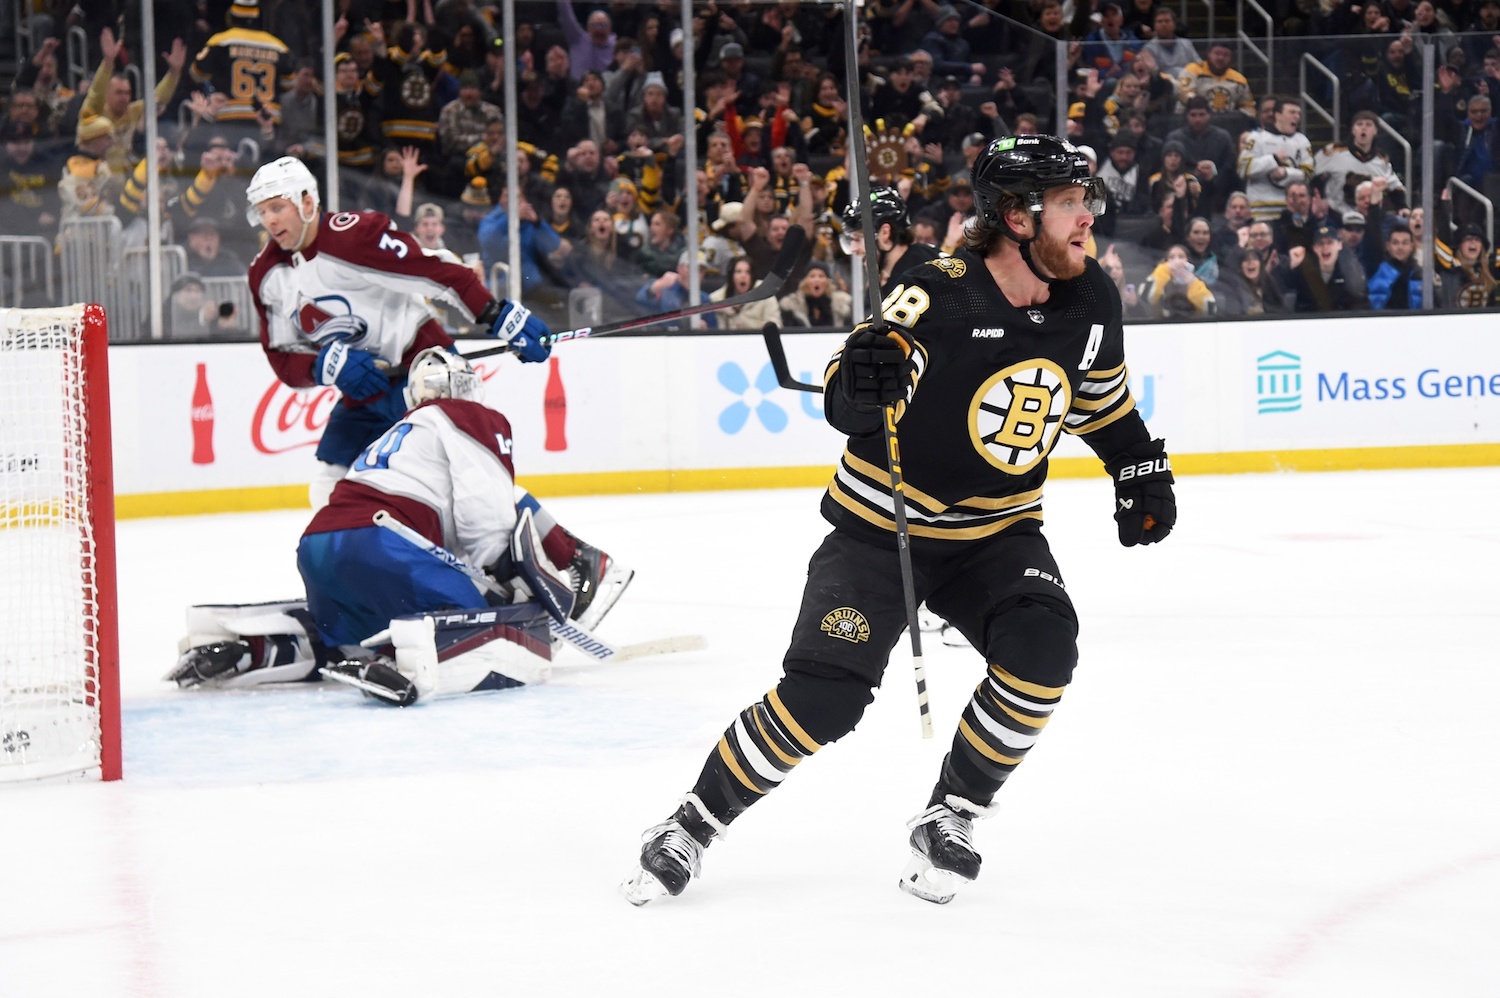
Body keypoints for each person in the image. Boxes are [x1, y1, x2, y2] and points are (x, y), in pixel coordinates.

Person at [621, 135, 1176, 906]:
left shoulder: (1092, 300)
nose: (1089, 217)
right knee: (825, 699)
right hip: (884, 533)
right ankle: (690, 823)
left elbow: (1099, 404)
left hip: (998, 535)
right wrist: (864, 379)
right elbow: (853, 402)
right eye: (1071, 203)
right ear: (1018, 217)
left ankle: (953, 812)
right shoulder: (937, 287)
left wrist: (1135, 464)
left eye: (1086, 201)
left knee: (1044, 654)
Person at [169, 349, 633, 705]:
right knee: (491, 622)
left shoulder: (402, 432)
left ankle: (256, 645)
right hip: (384, 543)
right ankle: (400, 662)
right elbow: (486, 511)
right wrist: (503, 575)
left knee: (351, 632)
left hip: (319, 549)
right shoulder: (470, 415)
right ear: (465, 386)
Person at [244, 156, 552, 508]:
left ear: (307, 202)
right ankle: (354, 559)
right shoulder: (267, 275)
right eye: (262, 211)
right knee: (331, 482)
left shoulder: (352, 236)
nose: (269, 220)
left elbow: (436, 271)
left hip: (424, 367)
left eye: (277, 207)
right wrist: (328, 366)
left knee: (468, 477)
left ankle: (549, 546)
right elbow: (282, 355)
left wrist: (497, 316)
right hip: (365, 386)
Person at [839, 185, 944, 298]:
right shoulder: (905, 270)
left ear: (885, 233)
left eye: (857, 238)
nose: (853, 248)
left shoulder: (920, 277)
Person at [1237, 98, 1314, 222]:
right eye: (1292, 112)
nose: (1297, 116)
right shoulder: (1257, 138)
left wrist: (1287, 173)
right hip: (1261, 211)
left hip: (1293, 210)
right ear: (1278, 115)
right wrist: (1273, 159)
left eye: (1299, 113)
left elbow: (1308, 174)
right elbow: (1243, 169)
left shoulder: (1302, 141)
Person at [1367, 223, 1423, 309]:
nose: (1400, 247)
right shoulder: (1379, 272)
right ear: (1388, 246)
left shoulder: (1419, 274)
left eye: (1405, 243)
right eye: (1395, 243)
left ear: (1412, 246)